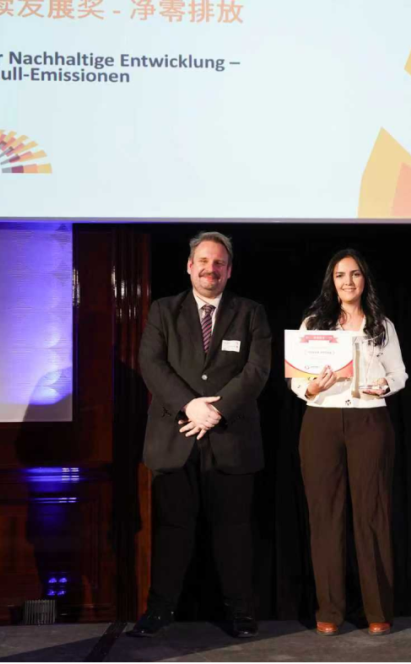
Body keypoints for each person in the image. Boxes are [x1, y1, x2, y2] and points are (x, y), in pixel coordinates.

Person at [130, 231, 272, 639]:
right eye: (204, 262)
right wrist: (190, 405)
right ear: (190, 266)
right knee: (172, 531)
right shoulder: (163, 310)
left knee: (234, 532)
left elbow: (257, 370)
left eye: (219, 263)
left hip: (231, 438)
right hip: (175, 437)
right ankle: (159, 611)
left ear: (229, 271)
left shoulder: (251, 312)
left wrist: (216, 410)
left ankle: (241, 614)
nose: (212, 269)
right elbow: (151, 363)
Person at [290, 249, 407, 637]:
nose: (348, 281)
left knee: (372, 514)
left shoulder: (381, 325)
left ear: (364, 279)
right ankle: (329, 610)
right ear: (332, 281)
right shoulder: (314, 323)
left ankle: (378, 610)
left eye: (355, 274)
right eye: (340, 275)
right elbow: (296, 378)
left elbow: (400, 373)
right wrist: (310, 387)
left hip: (369, 420)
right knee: (325, 514)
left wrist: (386, 384)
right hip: (321, 421)